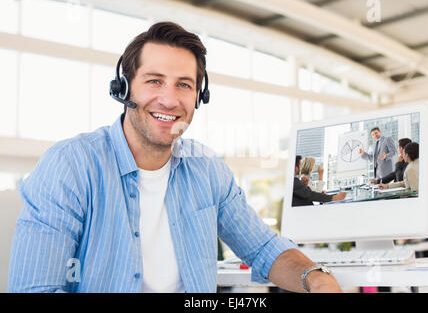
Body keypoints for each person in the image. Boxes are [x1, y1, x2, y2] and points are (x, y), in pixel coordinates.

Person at [8, 22, 341, 293]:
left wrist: (316, 277)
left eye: (184, 85)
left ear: (199, 96)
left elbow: (263, 249)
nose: (169, 100)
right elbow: (35, 288)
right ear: (123, 89)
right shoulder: (71, 166)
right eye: (154, 81)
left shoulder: (207, 169)